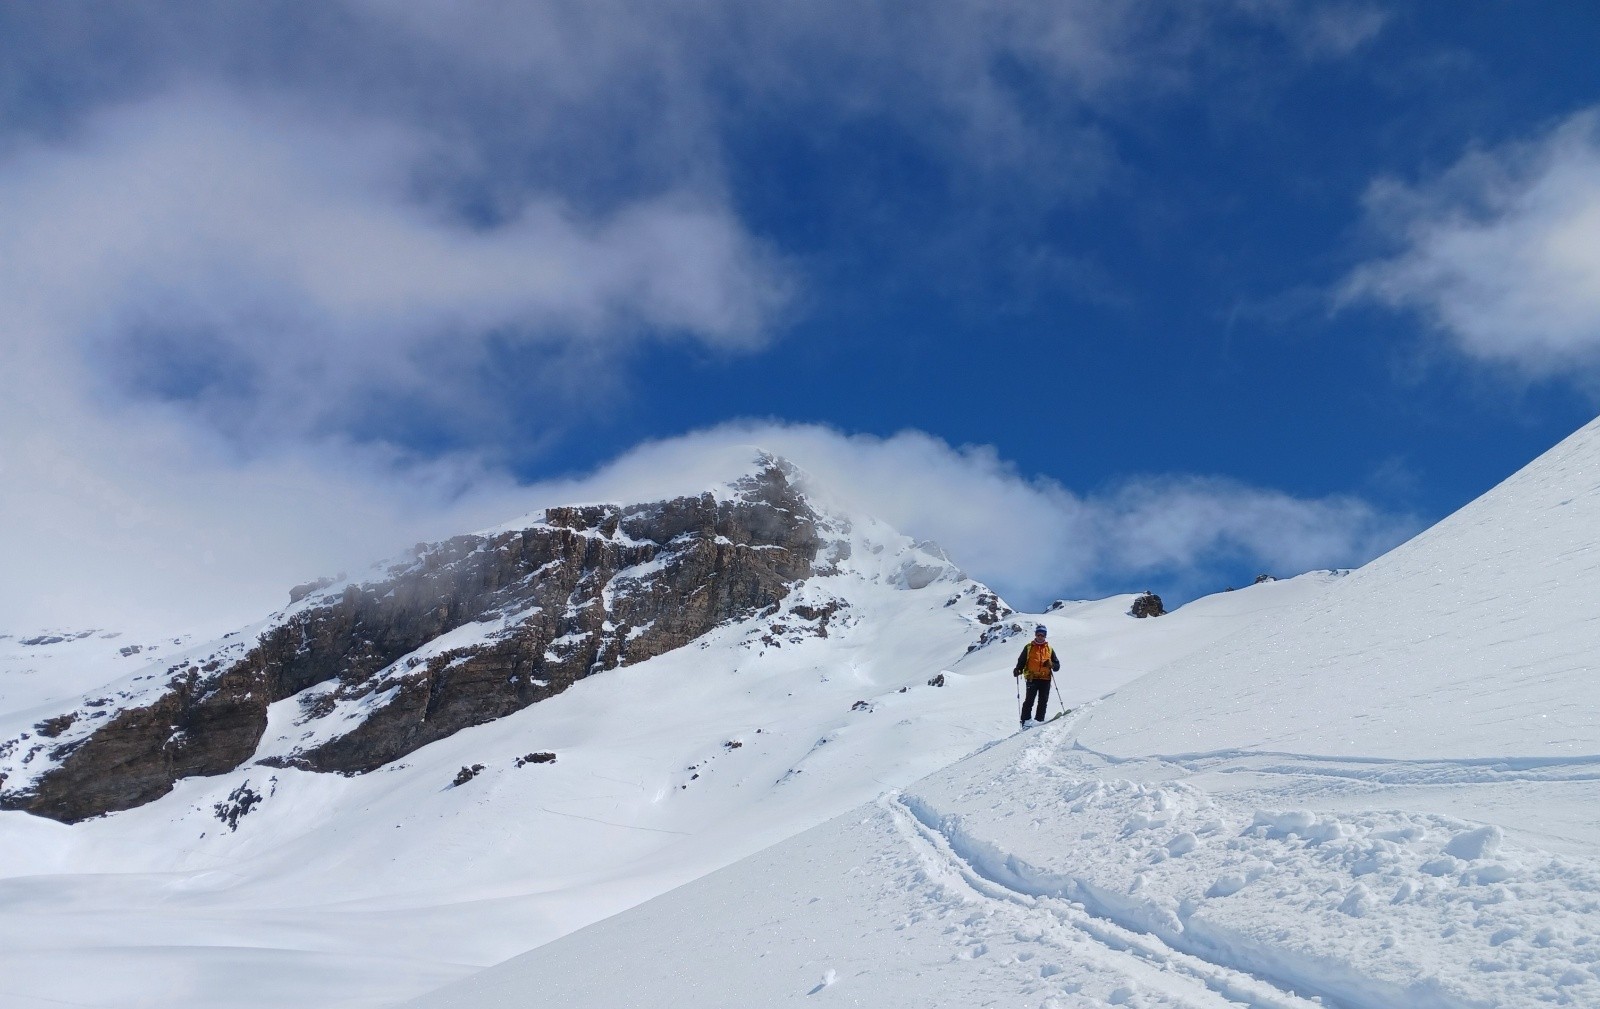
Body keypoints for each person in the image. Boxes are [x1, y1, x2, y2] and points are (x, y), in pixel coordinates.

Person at [1013, 624, 1060, 726]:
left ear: (1045, 635)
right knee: (1029, 701)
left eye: (1042, 634)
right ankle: (1025, 722)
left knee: (1043, 702)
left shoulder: (1049, 649)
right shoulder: (1029, 647)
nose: (1040, 636)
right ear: (1035, 634)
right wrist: (1018, 670)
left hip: (1045, 679)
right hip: (1032, 678)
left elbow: (1057, 666)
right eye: (1038, 633)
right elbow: (1021, 661)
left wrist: (1052, 664)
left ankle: (1039, 721)